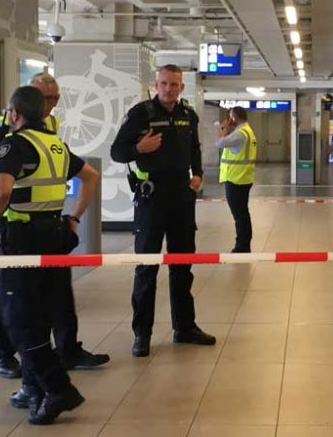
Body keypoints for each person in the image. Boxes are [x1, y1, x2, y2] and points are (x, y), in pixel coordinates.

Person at [0, 72, 108, 378]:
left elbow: (76, 173)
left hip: (49, 225)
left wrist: (72, 218)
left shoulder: (50, 129)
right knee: (10, 295)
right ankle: (4, 354)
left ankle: (65, 350)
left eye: (54, 98)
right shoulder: (0, 131)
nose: (49, 104)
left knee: (56, 292)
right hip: (12, 224)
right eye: (43, 98)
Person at [110, 64, 216, 357]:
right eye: (164, 83)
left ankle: (184, 327)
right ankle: (141, 334)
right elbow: (117, 152)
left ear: (182, 87)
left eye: (175, 84)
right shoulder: (141, 114)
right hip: (151, 199)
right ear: (156, 85)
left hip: (182, 197)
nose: (169, 89)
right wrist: (138, 149)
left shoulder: (188, 116)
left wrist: (198, 174)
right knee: (146, 268)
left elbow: (194, 148)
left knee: (182, 265)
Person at [218, 106, 257, 253]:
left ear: (234, 118)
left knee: (240, 215)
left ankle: (242, 246)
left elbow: (220, 143)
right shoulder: (247, 131)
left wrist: (223, 128)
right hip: (243, 177)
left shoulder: (240, 134)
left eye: (230, 118)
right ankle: (243, 245)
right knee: (242, 213)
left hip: (236, 179)